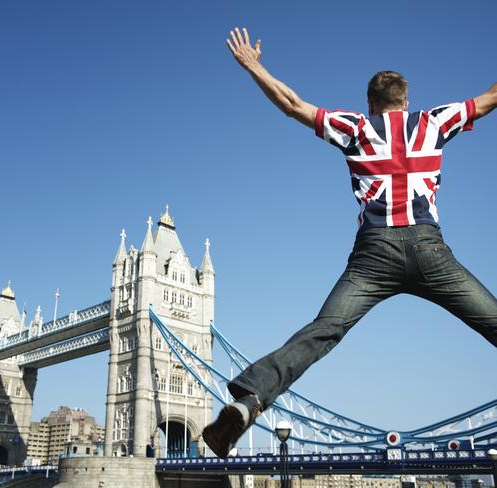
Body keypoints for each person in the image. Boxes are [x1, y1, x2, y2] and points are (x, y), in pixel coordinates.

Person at [202, 27, 497, 459]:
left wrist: (254, 66)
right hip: (431, 251)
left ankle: (249, 402)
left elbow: (291, 104)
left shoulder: (356, 127)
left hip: (374, 254)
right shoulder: (434, 121)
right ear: (406, 101)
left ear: (371, 104)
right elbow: (491, 97)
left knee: (323, 332)